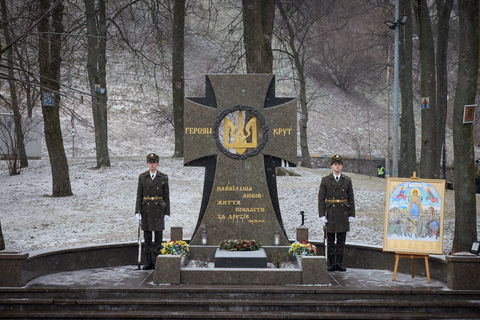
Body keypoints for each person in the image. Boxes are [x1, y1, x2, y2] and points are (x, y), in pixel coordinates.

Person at [318, 154, 355, 272]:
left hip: (343, 213)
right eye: (335, 164)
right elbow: (321, 198)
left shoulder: (347, 180)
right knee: (330, 241)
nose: (337, 167)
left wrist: (352, 214)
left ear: (342, 166)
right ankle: (330, 264)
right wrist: (322, 214)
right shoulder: (325, 180)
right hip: (330, 213)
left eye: (339, 165)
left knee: (340, 241)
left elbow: (351, 198)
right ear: (331, 166)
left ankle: (339, 263)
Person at [135, 153, 170, 270]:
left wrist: (167, 212)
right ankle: (149, 261)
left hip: (159, 210)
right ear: (147, 164)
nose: (152, 165)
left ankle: (157, 261)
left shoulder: (163, 177)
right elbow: (139, 195)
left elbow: (166, 196)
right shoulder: (142, 177)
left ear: (157, 164)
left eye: (154, 163)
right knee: (148, 237)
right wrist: (137, 211)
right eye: (150, 163)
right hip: (146, 210)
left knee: (158, 237)